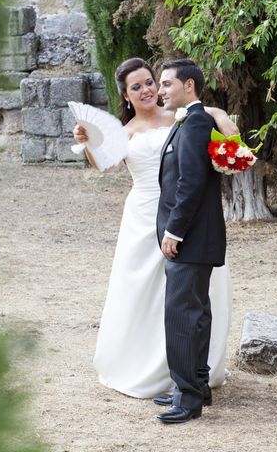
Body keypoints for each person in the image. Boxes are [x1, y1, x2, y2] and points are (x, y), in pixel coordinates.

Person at [72, 58, 235, 402]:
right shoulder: (124, 132)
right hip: (144, 215)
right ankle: (152, 368)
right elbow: (106, 165)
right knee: (145, 292)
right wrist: (89, 143)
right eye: (137, 86)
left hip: (185, 212)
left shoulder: (183, 117)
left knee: (188, 295)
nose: (147, 90)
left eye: (150, 82)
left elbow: (215, 128)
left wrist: (221, 118)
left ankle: (190, 373)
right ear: (126, 96)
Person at [154, 59, 227, 424]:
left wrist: (174, 230)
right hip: (195, 241)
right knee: (195, 314)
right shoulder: (189, 120)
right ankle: (197, 385)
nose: (160, 91)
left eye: (167, 84)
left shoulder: (196, 121)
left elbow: (191, 182)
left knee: (182, 317)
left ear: (189, 87)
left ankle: (188, 398)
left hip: (190, 239)